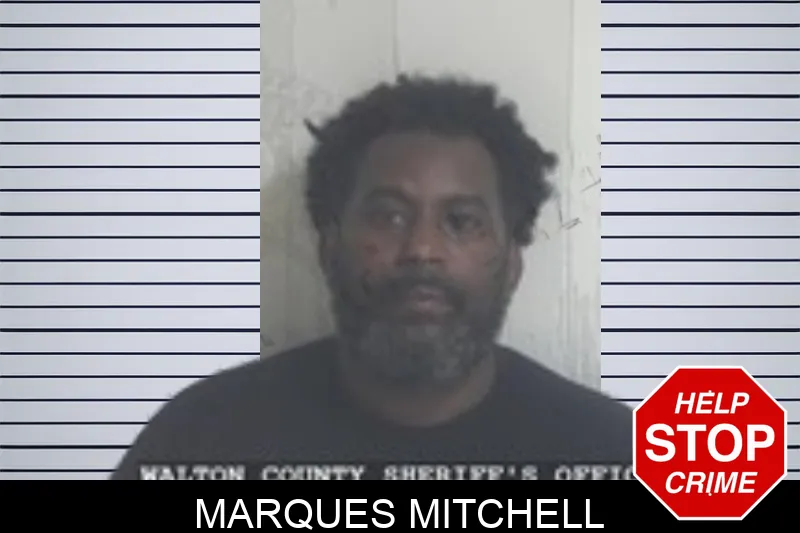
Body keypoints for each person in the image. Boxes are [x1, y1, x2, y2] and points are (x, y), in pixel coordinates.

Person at [112, 75, 632, 480]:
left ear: (513, 261)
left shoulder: (609, 453)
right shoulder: (202, 440)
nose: (422, 249)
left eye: (461, 222)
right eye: (388, 216)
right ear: (328, 246)